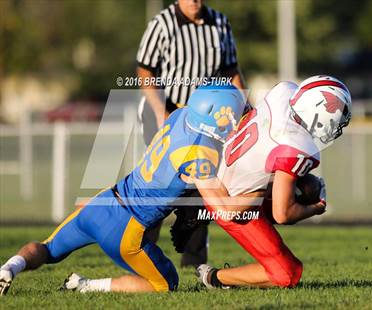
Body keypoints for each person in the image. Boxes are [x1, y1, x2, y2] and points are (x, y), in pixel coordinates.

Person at [0, 84, 246, 295]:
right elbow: (222, 206)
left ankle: (10, 267)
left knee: (47, 248)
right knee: (167, 284)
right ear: (217, 116)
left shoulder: (180, 115)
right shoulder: (201, 154)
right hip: (125, 229)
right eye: (231, 115)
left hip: (103, 201)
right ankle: (85, 285)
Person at [195, 76, 352, 288]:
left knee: (309, 186)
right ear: (319, 114)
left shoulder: (285, 91)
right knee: (288, 274)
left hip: (225, 176)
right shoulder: (297, 145)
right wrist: (317, 208)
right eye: (337, 120)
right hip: (233, 203)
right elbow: (283, 214)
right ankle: (214, 277)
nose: (338, 126)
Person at [136, 0, 247, 267]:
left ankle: (194, 260)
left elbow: (231, 70)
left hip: (206, 117)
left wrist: (243, 108)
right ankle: (141, 251)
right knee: (162, 183)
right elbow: (145, 70)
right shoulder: (163, 23)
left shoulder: (220, 22)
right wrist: (161, 112)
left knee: (202, 181)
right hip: (168, 110)